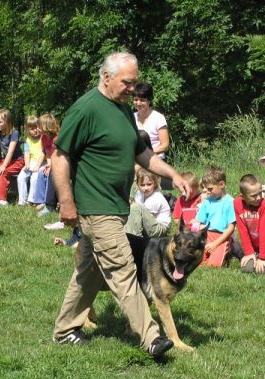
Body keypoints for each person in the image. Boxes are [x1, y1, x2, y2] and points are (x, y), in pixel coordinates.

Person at [50, 51, 190, 357]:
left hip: (116, 205)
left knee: (89, 272)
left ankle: (64, 330)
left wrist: (173, 174)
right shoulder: (86, 109)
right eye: (127, 82)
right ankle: (152, 337)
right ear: (107, 77)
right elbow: (59, 157)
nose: (132, 89)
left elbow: (143, 154)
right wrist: (66, 201)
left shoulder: (124, 111)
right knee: (123, 268)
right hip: (95, 207)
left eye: (135, 82)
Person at [234, 174, 265, 274]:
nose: (258, 198)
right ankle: (263, 258)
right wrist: (249, 253)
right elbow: (242, 229)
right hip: (256, 247)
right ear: (242, 196)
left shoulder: (264, 205)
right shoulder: (237, 203)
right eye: (253, 196)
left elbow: (264, 232)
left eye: (259, 193)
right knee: (247, 269)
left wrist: (262, 258)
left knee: (262, 271)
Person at [190, 166, 236, 262]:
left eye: (210, 189)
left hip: (222, 237)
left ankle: (229, 253)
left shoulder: (230, 202)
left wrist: (215, 244)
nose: (207, 192)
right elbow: (199, 222)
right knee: (197, 261)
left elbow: (231, 228)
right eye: (206, 189)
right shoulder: (207, 202)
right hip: (206, 235)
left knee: (214, 264)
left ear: (222, 184)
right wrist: (194, 225)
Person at [0, 109, 24, 206]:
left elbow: (10, 151)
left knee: (2, 171)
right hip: (6, 160)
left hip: (18, 161)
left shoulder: (14, 133)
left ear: (7, 122)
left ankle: (2, 200)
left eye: (0, 122)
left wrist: (3, 166)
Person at [124, 168, 171, 238]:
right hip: (151, 224)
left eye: (149, 184)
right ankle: (126, 235)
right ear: (137, 185)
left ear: (155, 183)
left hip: (160, 228)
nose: (146, 188)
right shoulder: (140, 194)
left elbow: (144, 215)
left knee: (135, 207)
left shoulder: (156, 197)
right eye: (142, 185)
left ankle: (134, 239)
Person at [133, 82, 169, 160]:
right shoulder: (131, 117)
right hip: (137, 161)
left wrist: (146, 153)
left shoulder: (158, 118)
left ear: (149, 100)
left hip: (156, 160)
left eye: (142, 100)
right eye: (136, 99)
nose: (138, 103)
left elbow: (165, 146)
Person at [34, 113, 60, 219]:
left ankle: (50, 205)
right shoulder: (44, 138)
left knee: (51, 175)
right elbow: (48, 153)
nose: (37, 128)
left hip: (60, 163)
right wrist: (48, 164)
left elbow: (59, 156)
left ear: (46, 127)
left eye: (39, 126)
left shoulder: (57, 139)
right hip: (52, 161)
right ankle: (40, 201)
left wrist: (52, 166)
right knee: (41, 171)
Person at [16, 115, 43, 206]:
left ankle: (32, 200)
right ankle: (22, 200)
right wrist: (26, 164)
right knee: (21, 177)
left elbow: (44, 153)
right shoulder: (27, 140)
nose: (35, 130)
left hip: (41, 161)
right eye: (32, 129)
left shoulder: (43, 138)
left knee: (35, 178)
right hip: (31, 161)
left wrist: (37, 166)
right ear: (28, 130)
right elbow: (26, 153)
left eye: (37, 127)